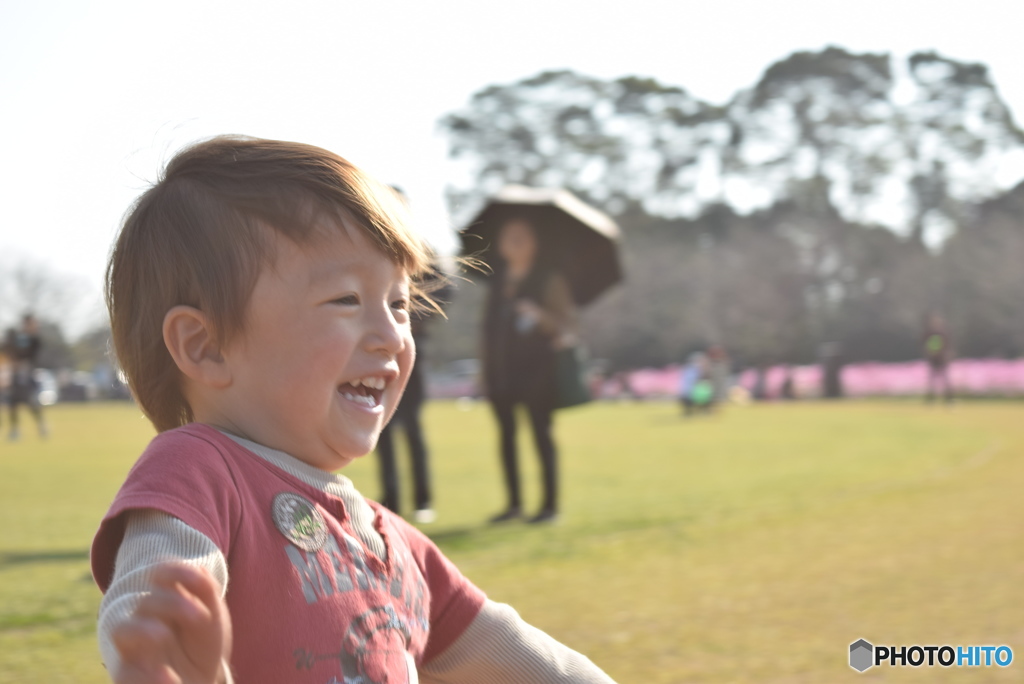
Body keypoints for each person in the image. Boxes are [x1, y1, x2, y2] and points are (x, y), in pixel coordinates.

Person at [90, 136, 616, 684]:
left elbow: (528, 660)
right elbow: (153, 592)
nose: (391, 335)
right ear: (207, 346)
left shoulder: (395, 543)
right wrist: (167, 651)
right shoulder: (199, 469)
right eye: (346, 299)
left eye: (400, 303)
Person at [482, 218, 575, 524]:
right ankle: (513, 505)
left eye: (521, 237)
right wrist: (485, 370)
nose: (514, 242)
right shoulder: (497, 282)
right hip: (502, 373)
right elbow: (487, 330)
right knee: (506, 438)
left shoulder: (549, 279)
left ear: (534, 243)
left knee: (540, 436)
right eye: (508, 237)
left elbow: (565, 325)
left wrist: (539, 315)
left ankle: (549, 506)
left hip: (538, 372)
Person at [6, 313, 47, 440]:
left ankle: (41, 426)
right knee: (13, 402)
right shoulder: (16, 337)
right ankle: (15, 430)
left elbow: (35, 356)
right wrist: (14, 364)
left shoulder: (35, 340)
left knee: (30, 401)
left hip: (28, 374)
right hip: (16, 373)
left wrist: (24, 364)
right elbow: (9, 350)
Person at [923, 312, 953, 403]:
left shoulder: (942, 334)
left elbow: (947, 346)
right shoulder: (929, 334)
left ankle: (949, 399)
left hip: (942, 359)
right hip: (933, 360)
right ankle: (931, 399)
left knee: (945, 380)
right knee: (932, 381)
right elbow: (925, 346)